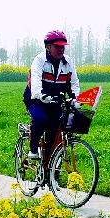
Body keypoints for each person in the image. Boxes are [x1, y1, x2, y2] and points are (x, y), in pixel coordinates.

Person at [23, 30, 80, 161]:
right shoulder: (39, 61)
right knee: (41, 119)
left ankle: (51, 170)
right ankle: (32, 149)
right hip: (36, 100)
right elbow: (35, 81)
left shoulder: (68, 62)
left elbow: (74, 84)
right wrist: (40, 95)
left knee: (55, 133)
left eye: (63, 46)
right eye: (57, 46)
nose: (61, 49)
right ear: (48, 47)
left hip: (56, 101)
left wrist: (75, 99)